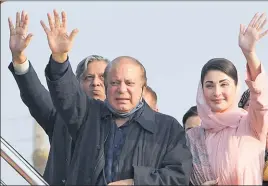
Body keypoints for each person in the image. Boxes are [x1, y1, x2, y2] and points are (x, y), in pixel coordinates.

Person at [41, 9, 192, 185]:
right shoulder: (88, 116)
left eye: (129, 83)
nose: (121, 89)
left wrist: (136, 182)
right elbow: (66, 94)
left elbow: (178, 176)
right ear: (106, 85)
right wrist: (60, 59)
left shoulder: (167, 128)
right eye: (114, 83)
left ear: (142, 88)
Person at [7, 11, 109, 185]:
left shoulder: (125, 124)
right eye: (88, 78)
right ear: (75, 83)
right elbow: (35, 95)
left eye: (102, 77)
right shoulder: (60, 119)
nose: (96, 83)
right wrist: (19, 57)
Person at [187, 13, 268, 185]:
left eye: (224, 84)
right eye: (209, 85)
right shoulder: (193, 138)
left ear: (236, 87)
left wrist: (249, 54)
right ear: (201, 90)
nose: (217, 92)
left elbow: (261, 99)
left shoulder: (251, 125)